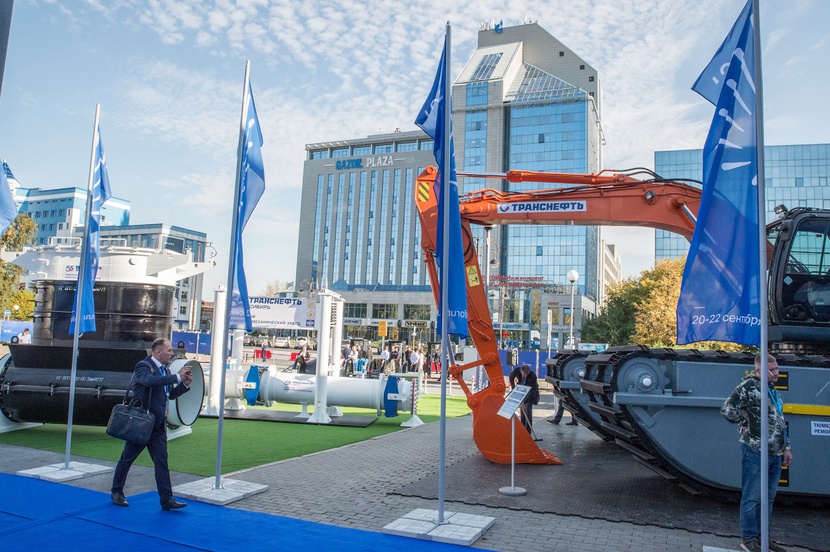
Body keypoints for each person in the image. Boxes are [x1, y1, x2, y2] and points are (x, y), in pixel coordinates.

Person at [721, 353, 793, 552]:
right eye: (773, 370)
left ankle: (763, 538)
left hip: (775, 452)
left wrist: (786, 447)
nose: (777, 373)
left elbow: (780, 420)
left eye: (777, 369)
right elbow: (727, 408)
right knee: (752, 496)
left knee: (767, 498)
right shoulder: (749, 386)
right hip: (756, 450)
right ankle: (749, 539)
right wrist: (747, 422)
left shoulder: (772, 390)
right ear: (760, 370)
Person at [111, 338, 193, 510]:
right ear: (158, 352)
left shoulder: (165, 370)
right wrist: (177, 376)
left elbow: (169, 395)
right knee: (127, 458)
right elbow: (149, 381)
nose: (172, 353)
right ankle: (117, 491)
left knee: (161, 463)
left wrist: (184, 385)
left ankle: (166, 499)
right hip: (141, 425)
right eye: (169, 350)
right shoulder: (143, 366)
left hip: (158, 426)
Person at [508, 364, 539, 433]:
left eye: (527, 374)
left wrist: (524, 402)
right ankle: (522, 429)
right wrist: (513, 387)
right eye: (524, 374)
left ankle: (528, 431)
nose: (525, 376)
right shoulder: (517, 370)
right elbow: (511, 376)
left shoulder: (532, 376)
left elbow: (531, 391)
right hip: (521, 391)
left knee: (528, 412)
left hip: (530, 394)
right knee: (522, 412)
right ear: (521, 371)